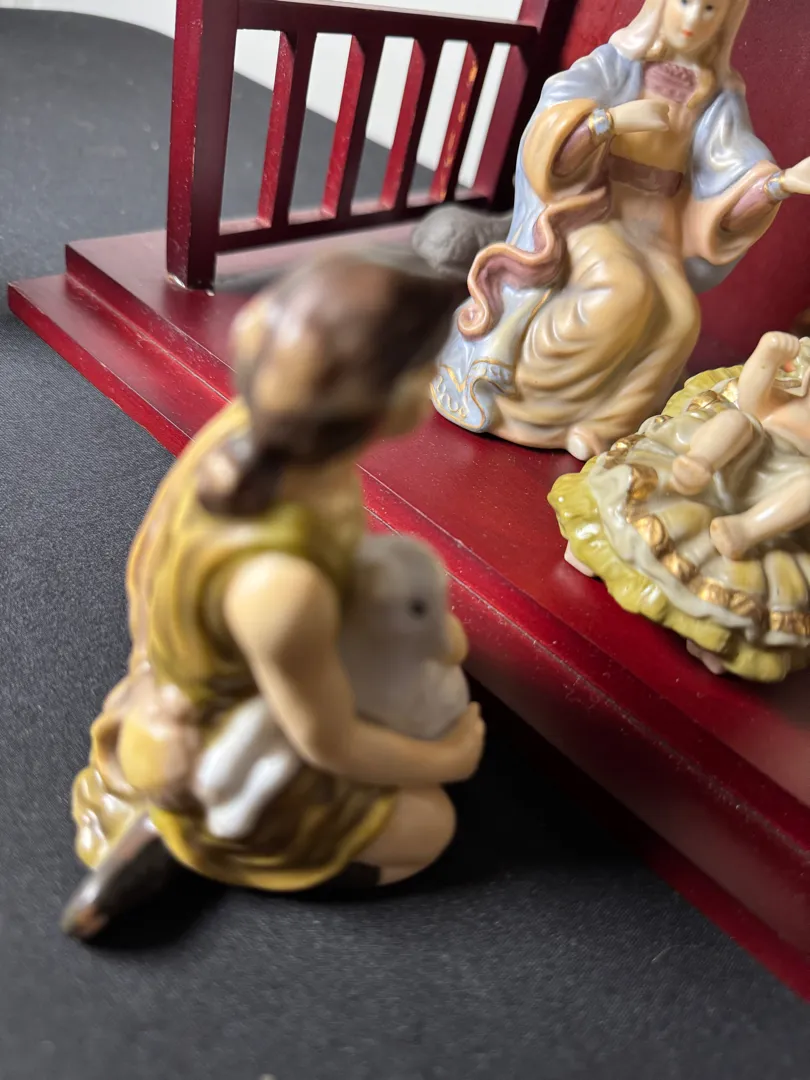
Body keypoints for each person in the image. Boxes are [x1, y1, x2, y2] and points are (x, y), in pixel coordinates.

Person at [64, 251, 485, 939]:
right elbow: (328, 741)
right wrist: (449, 759)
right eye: (431, 367)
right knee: (429, 825)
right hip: (234, 741)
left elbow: (144, 572)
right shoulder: (281, 585)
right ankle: (203, 845)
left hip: (270, 672)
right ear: (403, 402)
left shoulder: (247, 435)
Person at [425, 0, 810, 457]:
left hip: (658, 224)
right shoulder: (618, 62)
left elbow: (735, 170)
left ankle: (601, 424)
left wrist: (779, 184)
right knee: (621, 289)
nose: (693, 20)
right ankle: (519, 392)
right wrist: (607, 122)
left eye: (709, 9)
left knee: (681, 319)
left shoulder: (718, 96)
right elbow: (551, 122)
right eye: (685, 3)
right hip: (596, 209)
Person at [550, 331, 810, 682]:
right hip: (734, 467)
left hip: (774, 499)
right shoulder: (785, 403)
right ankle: (697, 464)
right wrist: (767, 355)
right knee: (737, 421)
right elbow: (750, 399)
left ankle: (746, 531)